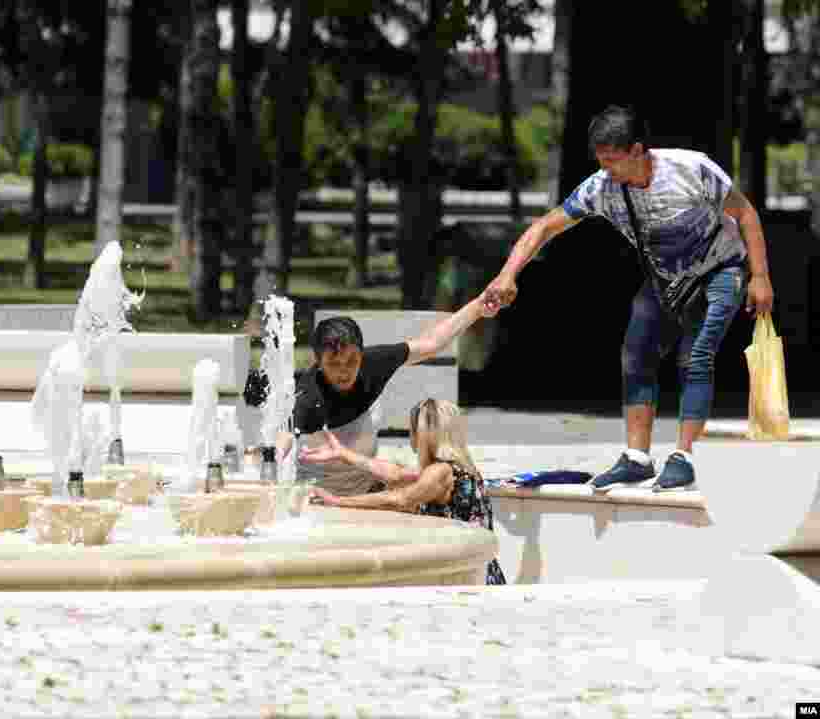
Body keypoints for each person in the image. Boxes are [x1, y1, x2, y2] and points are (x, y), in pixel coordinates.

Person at [480, 105, 775, 493]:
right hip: (666, 280)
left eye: (613, 161)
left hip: (722, 269)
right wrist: (507, 274)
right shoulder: (602, 187)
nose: (607, 170)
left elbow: (746, 213)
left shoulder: (692, 169)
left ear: (638, 150)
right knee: (636, 354)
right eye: (601, 161)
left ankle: (683, 457)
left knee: (695, 355)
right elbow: (545, 226)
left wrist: (761, 276)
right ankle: (637, 458)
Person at [282, 295, 493, 496]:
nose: (344, 371)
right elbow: (282, 440)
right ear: (318, 362)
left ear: (361, 354)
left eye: (351, 361)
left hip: (367, 485)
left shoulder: (372, 364)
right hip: (316, 495)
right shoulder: (308, 396)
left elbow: (431, 343)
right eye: (333, 364)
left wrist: (479, 305)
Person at [301, 398, 506, 586]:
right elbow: (395, 475)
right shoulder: (458, 469)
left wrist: (337, 501)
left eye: (412, 430)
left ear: (422, 434)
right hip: (480, 572)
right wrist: (343, 454)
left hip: (470, 581)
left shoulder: (439, 472)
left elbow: (401, 500)